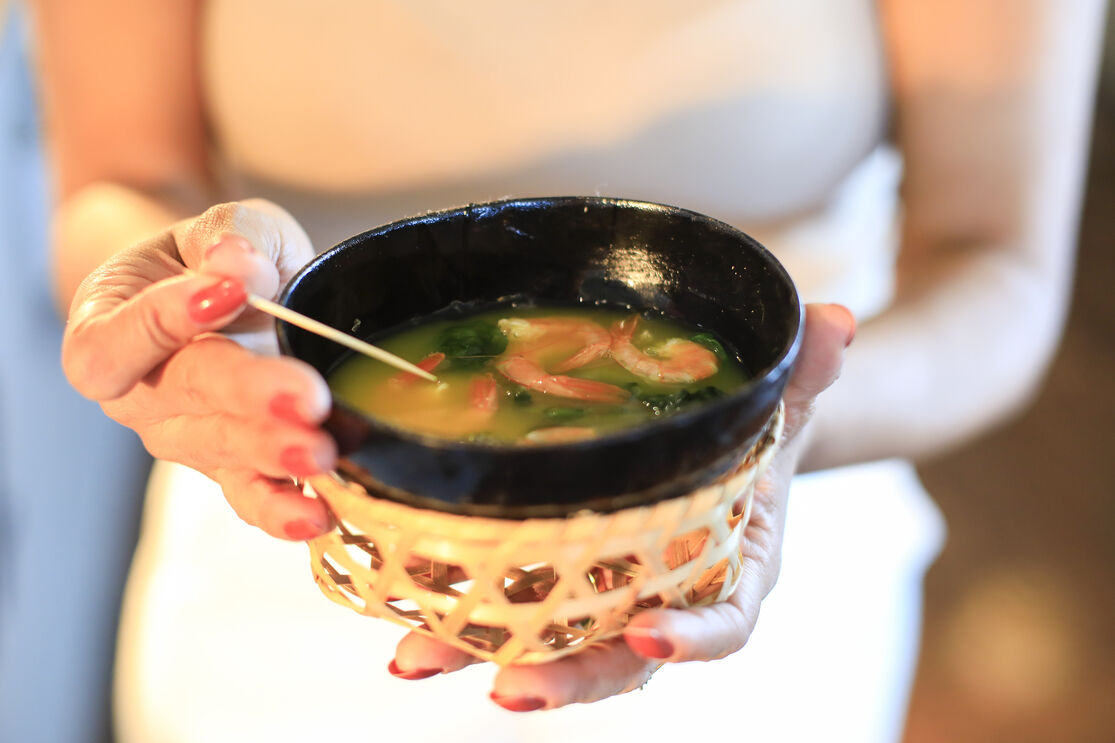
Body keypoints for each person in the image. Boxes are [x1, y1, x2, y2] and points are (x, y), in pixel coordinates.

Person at [28, 0, 1106, 741]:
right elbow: (121, 179)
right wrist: (183, 303)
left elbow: (994, 263)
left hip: (748, 538)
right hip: (303, 515)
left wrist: (767, 434)